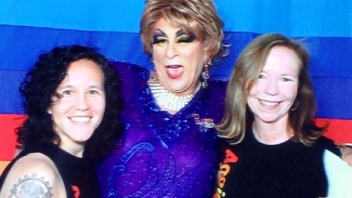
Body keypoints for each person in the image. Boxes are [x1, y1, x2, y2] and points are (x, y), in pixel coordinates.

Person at [98, 0, 228, 197]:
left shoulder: (224, 101)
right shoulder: (118, 81)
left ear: (208, 46)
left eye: (183, 39)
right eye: (161, 40)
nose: (170, 52)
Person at [214, 33, 352, 197]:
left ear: (300, 89)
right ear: (242, 82)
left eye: (285, 79)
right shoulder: (221, 145)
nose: (271, 90)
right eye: (261, 76)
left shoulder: (329, 160)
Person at [0, 45, 124, 198]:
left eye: (93, 92)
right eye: (68, 92)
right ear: (47, 103)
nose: (83, 105)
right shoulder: (37, 171)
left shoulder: (86, 165)